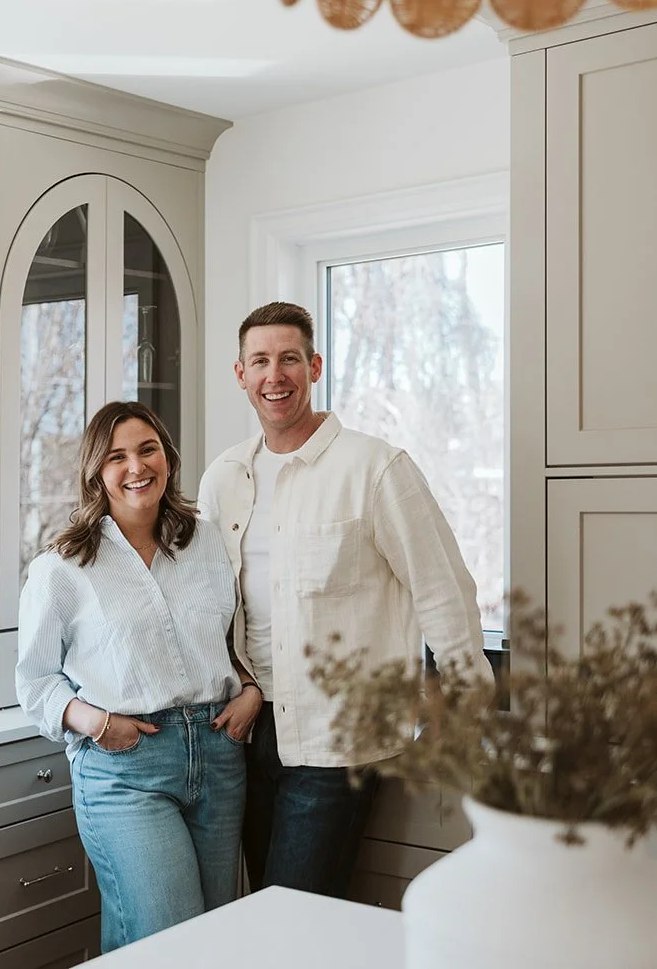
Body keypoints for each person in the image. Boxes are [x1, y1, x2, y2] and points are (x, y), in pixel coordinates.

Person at [198, 301, 492, 899]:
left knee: (293, 910)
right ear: (240, 374)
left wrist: (465, 709)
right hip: (249, 730)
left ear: (315, 366)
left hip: (339, 738)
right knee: (261, 907)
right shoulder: (223, 477)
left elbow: (441, 588)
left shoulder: (376, 468)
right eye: (260, 361)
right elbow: (206, 601)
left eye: (288, 359)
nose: (274, 375)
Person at [15, 400, 264, 953]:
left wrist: (251, 690)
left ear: (168, 460)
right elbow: (34, 684)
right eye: (117, 456)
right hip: (126, 766)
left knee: (211, 938)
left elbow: (233, 635)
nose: (136, 467)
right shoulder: (62, 566)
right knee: (168, 938)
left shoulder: (205, 544)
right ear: (96, 472)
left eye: (148, 449)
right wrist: (99, 724)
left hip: (220, 757)